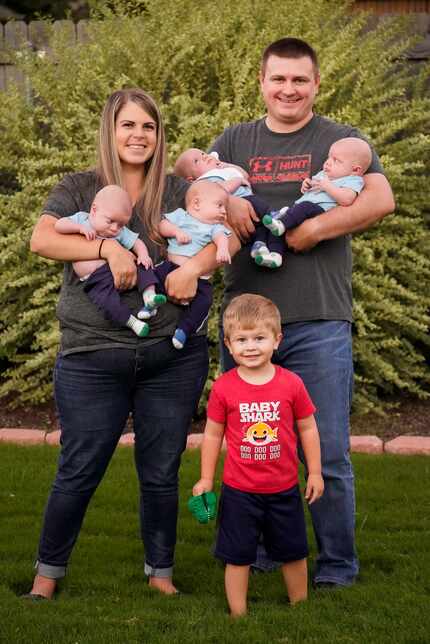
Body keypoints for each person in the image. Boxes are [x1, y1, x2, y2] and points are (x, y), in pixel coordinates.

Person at [25, 88, 239, 600]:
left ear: (159, 135)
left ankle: (160, 573)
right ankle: (46, 577)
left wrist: (191, 266)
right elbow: (42, 240)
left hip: (172, 356)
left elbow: (221, 233)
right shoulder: (79, 188)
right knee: (79, 467)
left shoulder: (177, 191)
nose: (139, 135)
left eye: (148, 126)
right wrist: (104, 248)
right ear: (110, 131)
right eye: (128, 126)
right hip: (92, 355)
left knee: (162, 470)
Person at [210, 37, 395, 588]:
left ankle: (337, 565)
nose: (288, 89)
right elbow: (190, 176)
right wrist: (231, 198)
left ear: (317, 84)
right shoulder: (236, 139)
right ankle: (261, 554)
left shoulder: (342, 140)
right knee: (251, 450)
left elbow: (380, 200)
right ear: (262, 83)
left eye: (300, 80)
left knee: (329, 452)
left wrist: (315, 227)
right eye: (278, 79)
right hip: (247, 325)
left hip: (318, 319)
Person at [192, 294, 324, 616]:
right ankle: (238, 614)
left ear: (277, 340)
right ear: (228, 344)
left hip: (283, 488)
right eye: (241, 339)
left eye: (259, 338)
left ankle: (300, 607)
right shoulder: (224, 388)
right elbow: (212, 434)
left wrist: (316, 471)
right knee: (237, 554)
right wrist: (206, 479)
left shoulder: (291, 384)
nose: (250, 346)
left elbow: (308, 428)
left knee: (293, 551)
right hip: (239, 491)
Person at [54, 184, 165, 338]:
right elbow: (59, 225)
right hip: (96, 278)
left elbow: (137, 242)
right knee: (106, 302)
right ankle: (133, 323)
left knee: (144, 265)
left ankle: (150, 296)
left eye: (121, 225)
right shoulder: (81, 220)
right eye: (110, 221)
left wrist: (143, 255)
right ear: (94, 210)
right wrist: (78, 228)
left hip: (120, 268)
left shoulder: (118, 232)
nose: (115, 229)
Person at [137, 179, 231, 349]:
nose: (224, 211)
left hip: (198, 278)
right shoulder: (181, 216)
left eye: (225, 207)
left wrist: (222, 250)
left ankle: (184, 330)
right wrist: (176, 231)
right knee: (147, 271)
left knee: (204, 301)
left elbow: (223, 238)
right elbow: (162, 225)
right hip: (170, 266)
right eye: (219, 205)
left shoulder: (215, 227)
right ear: (196, 203)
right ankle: (150, 301)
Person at [174, 147, 287, 268]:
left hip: (247, 213)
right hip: (244, 202)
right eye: (197, 160)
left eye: (203, 154)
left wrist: (225, 165)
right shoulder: (205, 182)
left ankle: (261, 248)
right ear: (191, 179)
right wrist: (237, 181)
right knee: (261, 208)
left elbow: (244, 174)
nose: (204, 157)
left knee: (264, 229)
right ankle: (272, 214)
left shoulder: (220, 170)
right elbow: (221, 191)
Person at [262, 137, 371, 237]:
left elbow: (347, 199)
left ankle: (281, 224)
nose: (328, 163)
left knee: (303, 208)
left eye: (336, 160)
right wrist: (307, 185)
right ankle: (274, 253)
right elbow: (315, 187)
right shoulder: (324, 174)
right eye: (329, 158)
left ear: (355, 170)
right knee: (282, 226)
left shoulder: (353, 180)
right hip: (302, 207)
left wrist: (327, 186)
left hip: (321, 210)